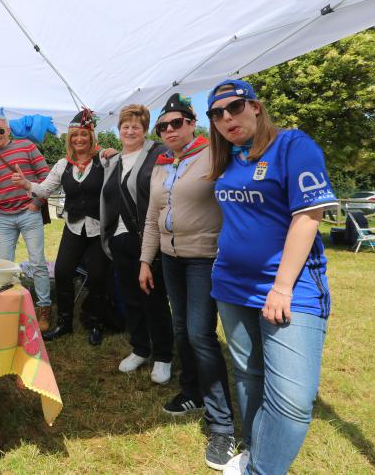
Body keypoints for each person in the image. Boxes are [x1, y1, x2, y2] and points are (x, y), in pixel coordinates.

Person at [205, 80, 338, 475]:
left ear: (256, 107)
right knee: (247, 372)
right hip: (231, 284)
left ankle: (260, 469)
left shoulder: (294, 145)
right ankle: (254, 447)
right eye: (217, 113)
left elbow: (308, 216)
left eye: (236, 107)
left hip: (290, 288)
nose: (227, 117)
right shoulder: (227, 156)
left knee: (293, 398)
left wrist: (281, 287)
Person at [138, 93, 236, 470]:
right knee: (181, 329)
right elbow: (151, 217)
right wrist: (146, 260)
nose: (169, 131)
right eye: (162, 126)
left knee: (200, 334)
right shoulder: (162, 165)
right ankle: (193, 390)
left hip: (204, 258)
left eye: (176, 123)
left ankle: (222, 423)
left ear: (193, 123)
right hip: (170, 260)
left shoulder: (215, 154)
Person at [13, 109, 114, 345]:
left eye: (83, 134)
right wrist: (27, 184)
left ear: (91, 136)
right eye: (74, 135)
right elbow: (45, 189)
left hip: (99, 227)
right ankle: (65, 323)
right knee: (63, 272)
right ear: (69, 139)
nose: (79, 139)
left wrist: (117, 153)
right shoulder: (62, 164)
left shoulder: (105, 160)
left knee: (98, 276)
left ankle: (96, 322)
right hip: (74, 226)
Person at [99, 104, 174, 382]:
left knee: (153, 299)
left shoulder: (158, 154)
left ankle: (164, 355)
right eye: (125, 126)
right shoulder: (114, 159)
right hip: (119, 239)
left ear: (145, 129)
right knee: (130, 298)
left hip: (147, 238)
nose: (130, 131)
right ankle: (140, 348)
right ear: (118, 130)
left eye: (136, 126)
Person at [0, 116, 52, 331]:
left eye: (0, 131)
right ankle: (9, 307)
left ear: (8, 131)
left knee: (37, 262)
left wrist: (37, 202)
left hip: (29, 211)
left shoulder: (27, 146)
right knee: (4, 266)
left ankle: (44, 309)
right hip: (4, 216)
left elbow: (47, 176)